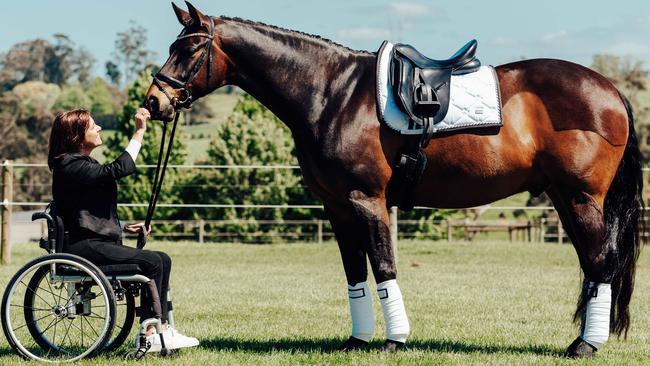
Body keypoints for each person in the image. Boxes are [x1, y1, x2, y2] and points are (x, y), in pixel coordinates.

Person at [48, 107, 198, 352]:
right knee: (154, 262)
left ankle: (162, 329)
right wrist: (139, 132)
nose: (99, 128)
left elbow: (83, 213)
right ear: (76, 135)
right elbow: (117, 170)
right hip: (82, 249)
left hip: (91, 243)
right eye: (93, 126)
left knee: (162, 259)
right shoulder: (69, 165)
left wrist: (122, 227)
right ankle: (151, 333)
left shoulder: (79, 164)